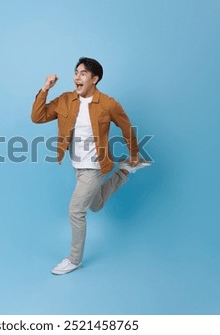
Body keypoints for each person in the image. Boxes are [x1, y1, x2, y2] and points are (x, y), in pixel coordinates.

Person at [31, 57, 151, 275]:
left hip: (95, 166)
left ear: (94, 79)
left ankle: (74, 259)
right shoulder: (65, 100)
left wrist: (134, 153)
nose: (77, 77)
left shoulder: (108, 104)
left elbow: (126, 128)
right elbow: (37, 117)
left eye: (83, 73)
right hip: (76, 164)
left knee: (76, 211)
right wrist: (45, 88)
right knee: (95, 205)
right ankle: (125, 171)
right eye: (76, 72)